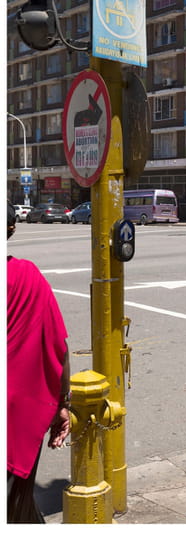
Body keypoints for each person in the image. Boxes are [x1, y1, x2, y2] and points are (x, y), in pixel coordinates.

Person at [7, 203, 71, 523]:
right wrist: (63, 403)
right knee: (16, 506)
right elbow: (58, 346)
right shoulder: (27, 276)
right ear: (12, 229)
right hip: (16, 422)